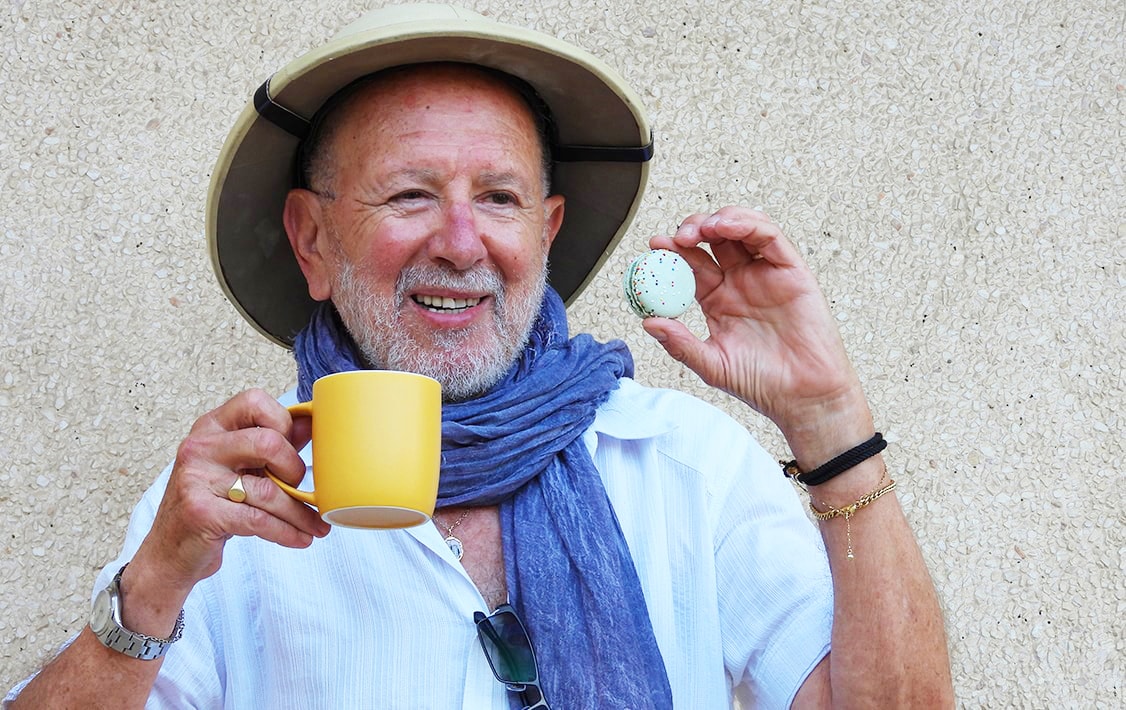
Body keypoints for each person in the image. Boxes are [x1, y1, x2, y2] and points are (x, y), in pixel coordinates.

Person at [6, 5, 953, 708]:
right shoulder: (236, 507)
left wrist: (830, 422)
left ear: (546, 234)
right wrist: (159, 581)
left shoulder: (684, 467)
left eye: (498, 199)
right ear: (311, 242)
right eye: (410, 194)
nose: (461, 242)